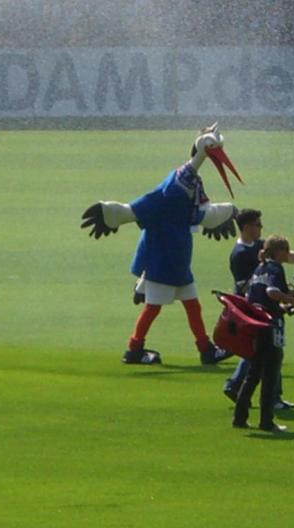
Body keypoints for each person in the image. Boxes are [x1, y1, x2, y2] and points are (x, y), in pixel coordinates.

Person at [81, 124, 241, 366]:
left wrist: (226, 213)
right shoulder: (171, 190)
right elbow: (141, 208)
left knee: (192, 306)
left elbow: (199, 214)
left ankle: (205, 349)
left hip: (177, 260)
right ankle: (134, 349)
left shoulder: (185, 188)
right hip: (164, 262)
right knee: (154, 309)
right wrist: (113, 214)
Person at [224, 209, 294, 408]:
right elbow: (250, 287)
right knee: (270, 353)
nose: (261, 228)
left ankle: (240, 387)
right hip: (255, 310)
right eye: (257, 225)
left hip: (263, 308)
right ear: (246, 227)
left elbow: (288, 256)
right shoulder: (240, 254)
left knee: (260, 353)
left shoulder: (260, 248)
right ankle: (265, 396)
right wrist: (287, 300)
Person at [232, 236, 294, 433]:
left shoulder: (259, 268)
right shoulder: (274, 268)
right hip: (270, 327)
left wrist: (283, 304)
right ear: (278, 251)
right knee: (270, 375)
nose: (288, 256)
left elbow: (253, 296)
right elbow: (272, 292)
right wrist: (293, 301)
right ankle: (266, 421)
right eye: (286, 251)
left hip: (255, 326)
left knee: (253, 374)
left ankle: (239, 417)